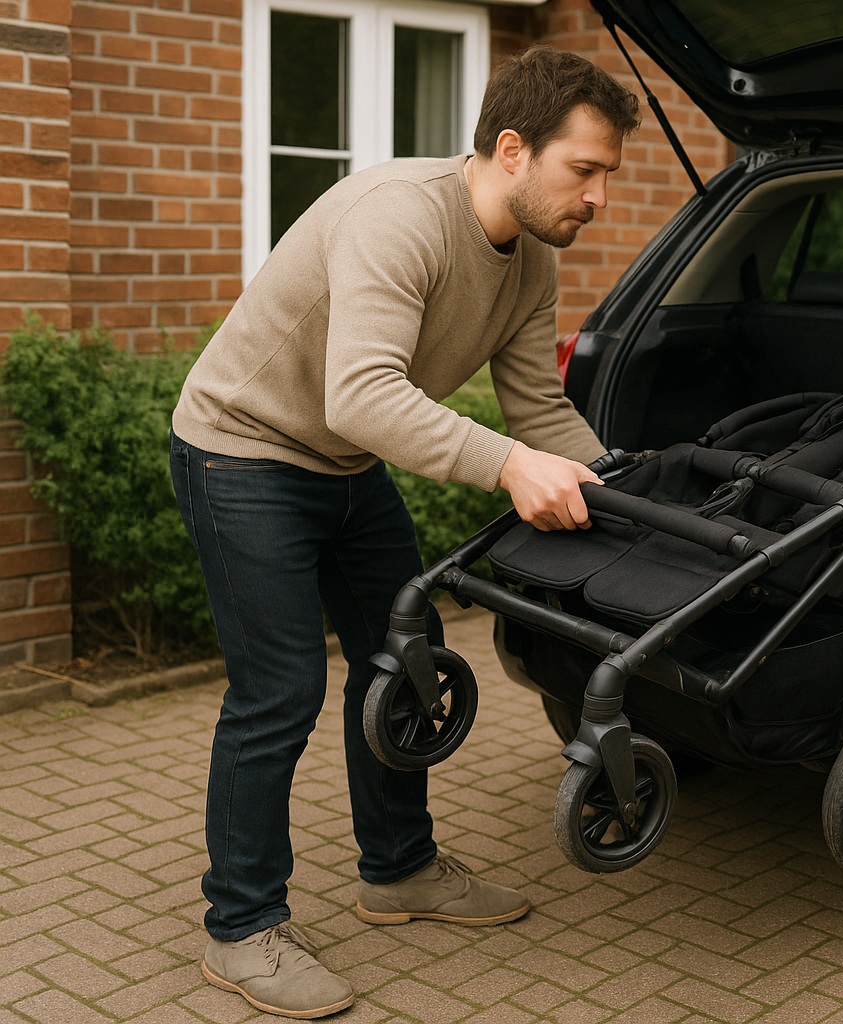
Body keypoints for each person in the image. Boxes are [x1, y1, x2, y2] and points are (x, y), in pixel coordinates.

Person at [168, 46, 640, 1019]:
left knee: (406, 656)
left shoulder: (531, 257)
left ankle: (398, 869)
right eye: (583, 170)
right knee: (281, 686)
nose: (598, 196)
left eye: (607, 175)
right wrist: (509, 469)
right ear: (513, 149)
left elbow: (537, 412)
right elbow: (363, 391)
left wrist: (628, 490)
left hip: (342, 464)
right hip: (241, 451)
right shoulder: (400, 216)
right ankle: (242, 927)